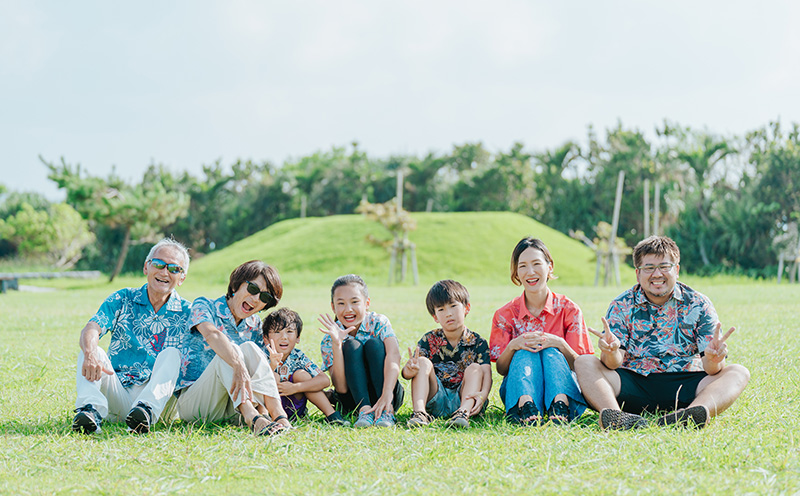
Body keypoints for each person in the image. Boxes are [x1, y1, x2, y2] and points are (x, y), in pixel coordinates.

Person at [575, 235, 751, 430]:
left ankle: (693, 414)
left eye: (664, 267)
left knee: (738, 372)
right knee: (584, 362)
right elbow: (613, 363)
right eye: (649, 268)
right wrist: (610, 351)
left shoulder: (698, 304)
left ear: (676, 270)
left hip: (686, 384)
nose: (657, 274)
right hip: (634, 383)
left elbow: (711, 369)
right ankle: (615, 417)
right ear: (637, 273)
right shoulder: (621, 304)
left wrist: (715, 358)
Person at [73, 238, 192, 434]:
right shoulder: (123, 298)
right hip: (119, 393)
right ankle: (90, 412)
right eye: (159, 264)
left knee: (172, 354)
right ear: (146, 267)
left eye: (174, 269)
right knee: (91, 350)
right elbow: (92, 327)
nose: (164, 272)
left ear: (182, 278)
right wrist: (90, 352)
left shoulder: (189, 313)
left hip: (159, 402)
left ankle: (144, 414)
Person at [176, 260, 291, 436]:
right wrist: (238, 364)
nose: (255, 299)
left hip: (232, 408)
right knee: (231, 350)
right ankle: (252, 418)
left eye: (264, 297)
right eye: (252, 289)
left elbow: (259, 375)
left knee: (251, 348)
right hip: (195, 405)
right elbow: (212, 335)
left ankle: (278, 416)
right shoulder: (205, 306)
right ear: (237, 284)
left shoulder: (255, 325)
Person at [490, 237, 595, 425]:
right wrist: (514, 345)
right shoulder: (504, 315)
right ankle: (526, 404)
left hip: (564, 383)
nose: (530, 272)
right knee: (524, 349)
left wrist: (560, 344)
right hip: (519, 386)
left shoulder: (569, 309)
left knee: (551, 351)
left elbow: (580, 365)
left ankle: (560, 403)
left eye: (536, 263)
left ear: (550, 266)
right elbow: (501, 369)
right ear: (516, 272)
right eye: (522, 266)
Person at [402, 280, 492, 428]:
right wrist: (408, 370)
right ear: (435, 317)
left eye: (453, 306)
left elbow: (486, 374)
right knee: (423, 362)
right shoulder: (428, 339)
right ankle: (419, 413)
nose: (448, 313)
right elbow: (408, 374)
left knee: (476, 368)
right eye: (441, 309)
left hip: (465, 398)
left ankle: (462, 414)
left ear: (466, 308)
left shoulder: (478, 342)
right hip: (435, 397)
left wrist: (483, 395)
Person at [318, 274, 404, 428]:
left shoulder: (378, 322)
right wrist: (337, 345)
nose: (348, 309)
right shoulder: (329, 339)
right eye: (341, 303)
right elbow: (341, 387)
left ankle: (386, 410)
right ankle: (365, 411)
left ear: (367, 303)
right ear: (333, 307)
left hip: (387, 392)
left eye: (355, 302)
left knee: (374, 344)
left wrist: (387, 394)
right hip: (353, 400)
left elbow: (394, 355)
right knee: (351, 346)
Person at [261, 307, 349, 426]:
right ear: (266, 339)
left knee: (301, 375)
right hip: (271, 408)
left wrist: (296, 387)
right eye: (277, 332)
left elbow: (324, 380)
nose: (284, 337)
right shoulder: (262, 356)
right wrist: (272, 365)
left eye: (289, 332)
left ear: (298, 338)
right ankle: (266, 418)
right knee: (274, 377)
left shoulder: (298, 356)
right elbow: (258, 383)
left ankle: (332, 416)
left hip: (294, 406)